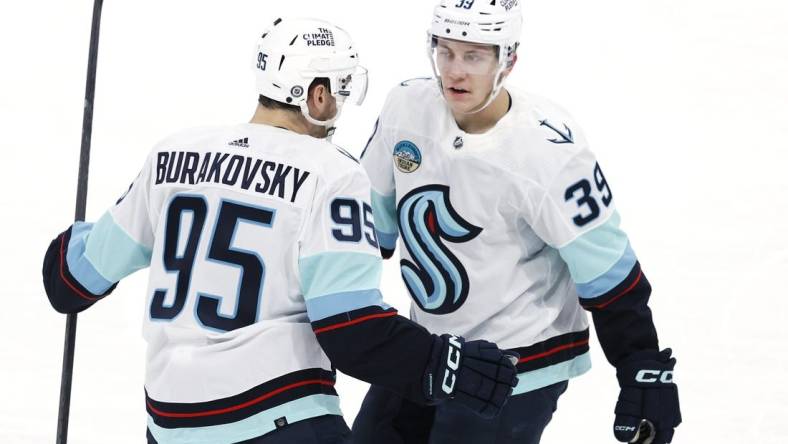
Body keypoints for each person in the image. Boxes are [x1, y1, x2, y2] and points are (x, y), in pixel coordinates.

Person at [41, 17, 518, 444]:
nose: (341, 102)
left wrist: (74, 243)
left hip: (168, 424)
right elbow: (351, 330)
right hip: (274, 416)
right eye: (340, 89)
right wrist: (445, 363)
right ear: (316, 94)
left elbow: (70, 284)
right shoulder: (331, 174)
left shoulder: (171, 155)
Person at [352, 1, 682, 443]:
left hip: (520, 361)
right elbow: (364, 230)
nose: (455, 71)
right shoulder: (405, 107)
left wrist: (641, 366)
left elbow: (607, 271)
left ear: (507, 59)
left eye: (474, 56)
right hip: (431, 349)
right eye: (445, 51)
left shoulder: (547, 150)